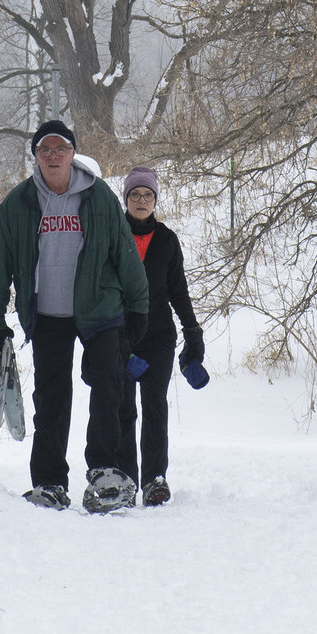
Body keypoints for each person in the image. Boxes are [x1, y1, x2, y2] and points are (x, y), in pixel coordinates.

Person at [0, 119, 150, 512]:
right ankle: (50, 481)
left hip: (100, 311)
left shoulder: (99, 197)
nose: (53, 156)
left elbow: (126, 256)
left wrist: (139, 308)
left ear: (73, 155)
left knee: (109, 388)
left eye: (60, 149)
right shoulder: (19, 203)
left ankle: (105, 473)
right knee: (52, 399)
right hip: (49, 314)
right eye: (45, 150)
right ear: (36, 158)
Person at [116, 166, 204, 507]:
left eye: (147, 195)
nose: (141, 201)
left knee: (154, 406)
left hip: (158, 337)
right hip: (122, 336)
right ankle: (124, 478)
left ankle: (155, 478)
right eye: (135, 195)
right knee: (123, 406)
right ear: (126, 199)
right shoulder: (115, 233)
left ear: (155, 200)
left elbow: (177, 290)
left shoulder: (167, 240)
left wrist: (192, 329)